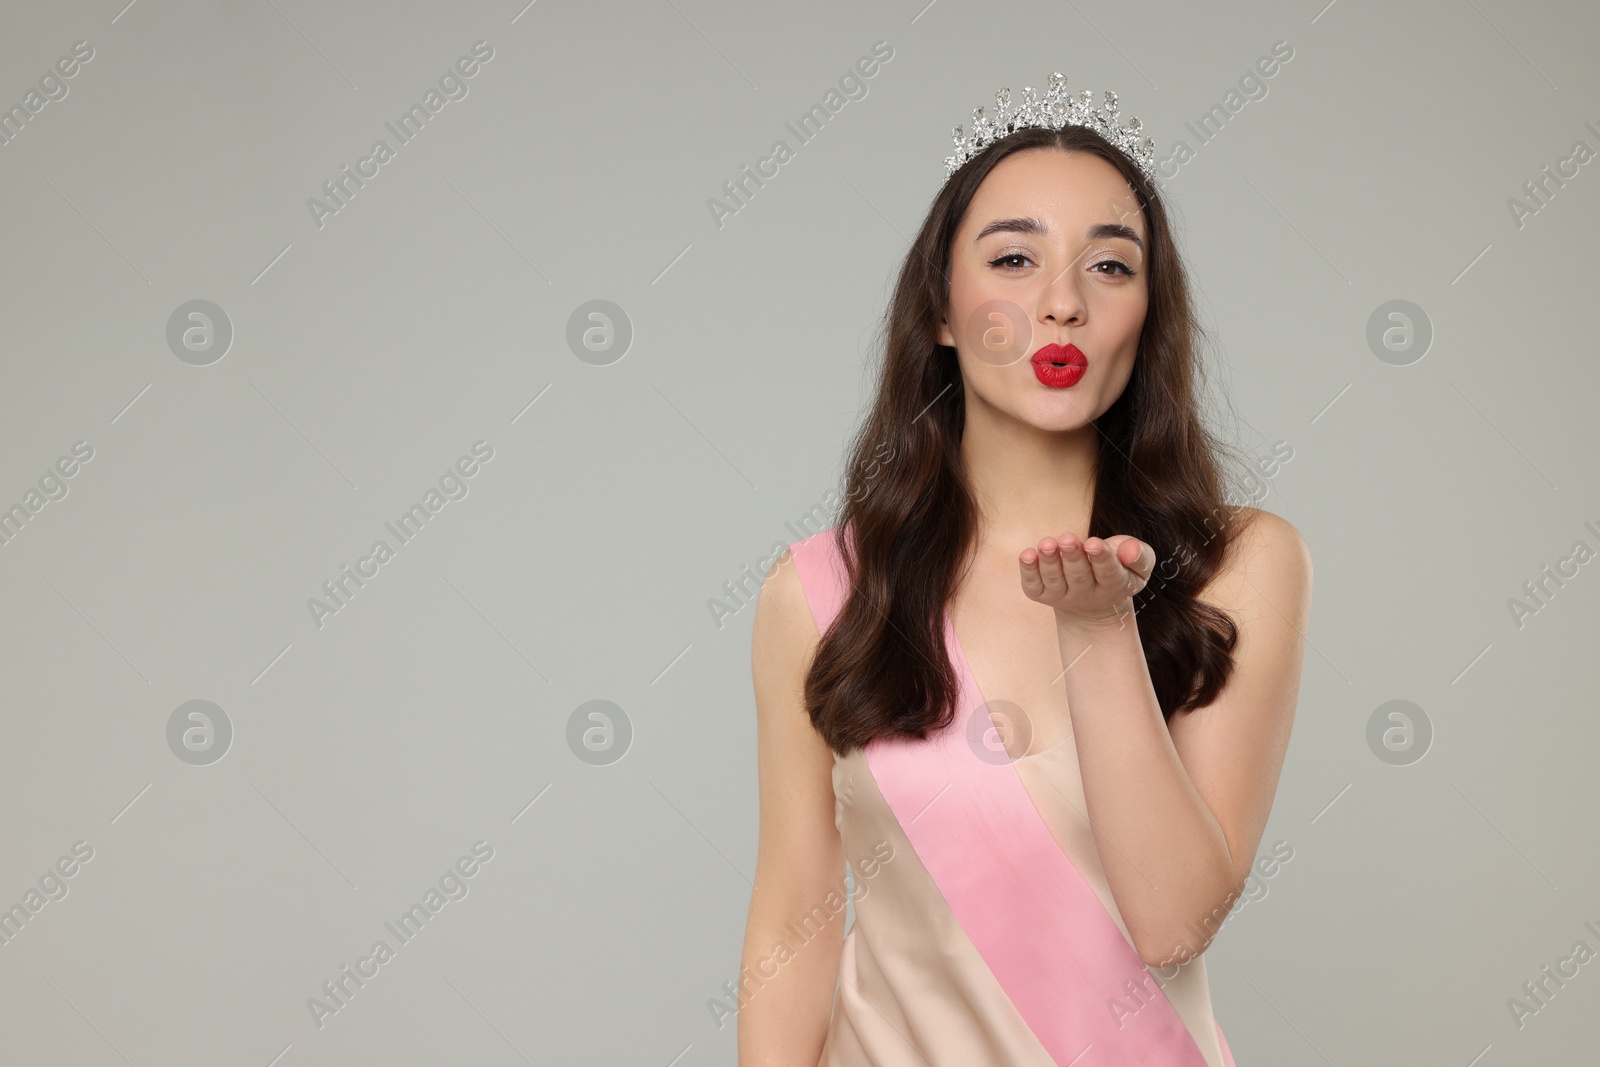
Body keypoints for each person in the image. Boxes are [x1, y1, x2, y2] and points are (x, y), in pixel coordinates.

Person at [739, 75, 1312, 1066]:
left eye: (1109, 266)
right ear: (942, 315)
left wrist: (1097, 630)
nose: (1060, 303)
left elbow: (1173, 922)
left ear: (1149, 314)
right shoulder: (822, 594)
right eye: (1013, 258)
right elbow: (791, 916)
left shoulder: (1239, 563)